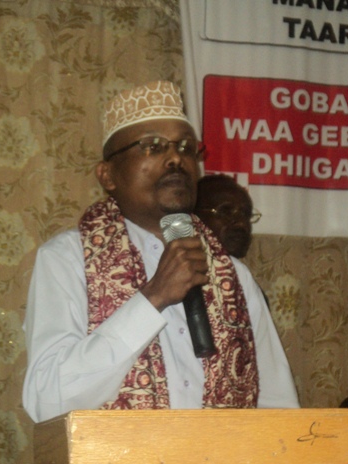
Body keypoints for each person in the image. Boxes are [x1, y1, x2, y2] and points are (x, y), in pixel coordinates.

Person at [22, 81, 299, 423]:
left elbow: (278, 410)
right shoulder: (66, 260)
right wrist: (152, 298)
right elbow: (46, 399)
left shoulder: (234, 276)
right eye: (152, 146)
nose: (175, 159)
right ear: (107, 175)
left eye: (186, 148)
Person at [195, 174, 260, 259]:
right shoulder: (180, 264)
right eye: (225, 212)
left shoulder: (240, 268)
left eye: (246, 214)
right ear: (195, 216)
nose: (241, 223)